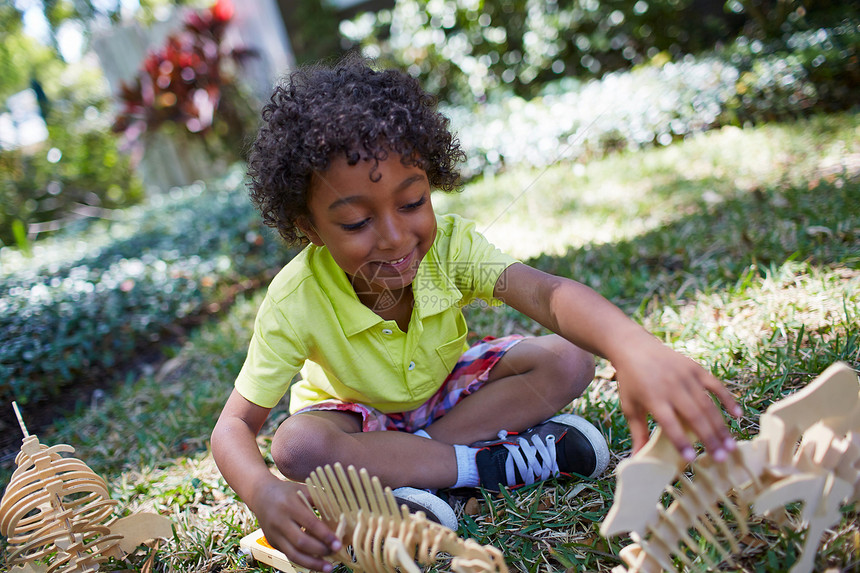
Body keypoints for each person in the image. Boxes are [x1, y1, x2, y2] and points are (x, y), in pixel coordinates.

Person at [211, 54, 741, 573]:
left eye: (413, 202)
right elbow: (234, 425)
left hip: (448, 403)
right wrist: (262, 491)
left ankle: (412, 478)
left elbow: (546, 295)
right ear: (308, 228)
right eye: (355, 223)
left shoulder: (451, 249)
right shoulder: (294, 299)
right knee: (297, 445)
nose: (395, 236)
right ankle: (485, 465)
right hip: (357, 425)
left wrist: (632, 347)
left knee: (569, 360)